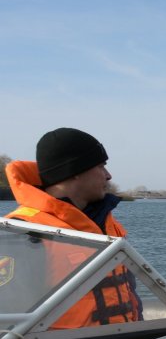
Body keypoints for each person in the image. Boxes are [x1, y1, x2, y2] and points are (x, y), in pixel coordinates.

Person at [4, 127, 141, 327]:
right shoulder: (21, 231)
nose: (108, 175)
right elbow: (11, 324)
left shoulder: (108, 225)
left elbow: (131, 295)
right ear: (75, 171)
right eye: (101, 166)